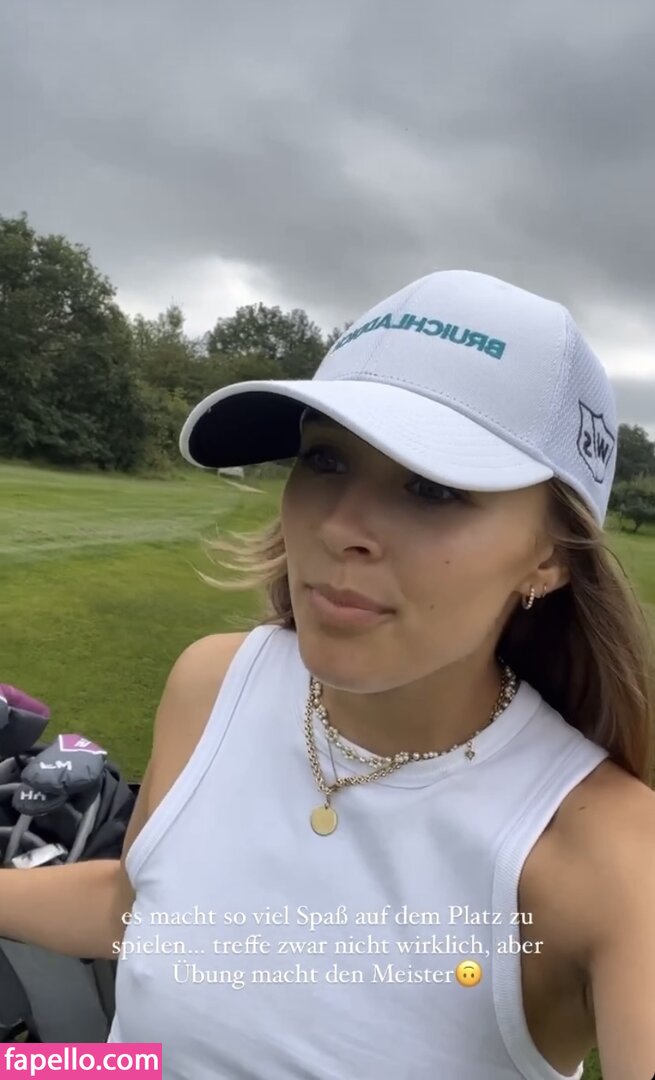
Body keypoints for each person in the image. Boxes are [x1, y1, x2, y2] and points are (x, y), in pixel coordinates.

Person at [1, 269, 654, 1079]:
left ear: (549, 555)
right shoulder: (214, 682)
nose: (341, 526)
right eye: (325, 460)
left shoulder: (610, 859)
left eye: (432, 487)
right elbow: (138, 911)